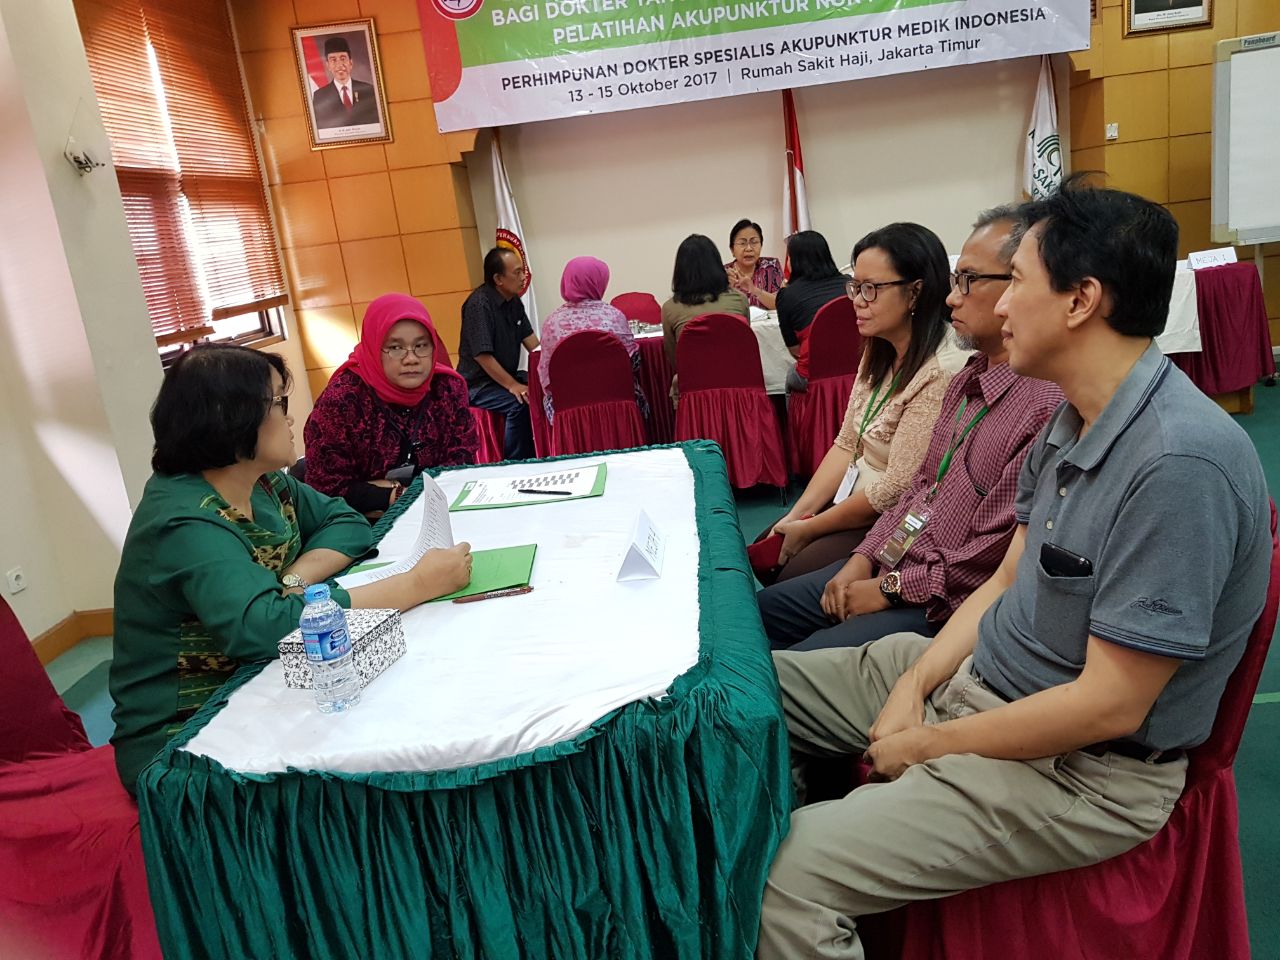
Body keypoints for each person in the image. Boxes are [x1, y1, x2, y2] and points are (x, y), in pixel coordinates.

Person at [757, 178, 1271, 959]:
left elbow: (1108, 706)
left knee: (785, 881)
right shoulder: (1070, 418)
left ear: (1081, 300)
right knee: (748, 691)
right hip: (983, 684)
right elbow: (1003, 583)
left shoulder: (1178, 465)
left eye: (1014, 282)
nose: (995, 307)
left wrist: (927, 745)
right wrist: (914, 685)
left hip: (1080, 772)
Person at [110, 345, 473, 795]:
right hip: (185, 741)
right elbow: (262, 627)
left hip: (258, 688)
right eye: (279, 403)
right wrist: (416, 584)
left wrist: (291, 582)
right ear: (232, 417)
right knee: (377, 766)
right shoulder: (185, 519)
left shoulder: (265, 484)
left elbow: (347, 523)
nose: (291, 417)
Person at [758, 207, 1063, 650]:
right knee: (760, 612)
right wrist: (863, 557)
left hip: (934, 598)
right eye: (854, 286)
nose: (953, 299)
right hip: (899, 550)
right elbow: (920, 486)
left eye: (968, 281)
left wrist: (885, 587)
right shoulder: (967, 376)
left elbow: (981, 559)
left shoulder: (1021, 397)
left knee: (792, 660)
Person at [761, 222, 956, 582]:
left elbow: (897, 488)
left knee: (790, 571)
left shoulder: (941, 370)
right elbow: (848, 442)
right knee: (769, 543)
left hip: (896, 516)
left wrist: (813, 527)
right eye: (855, 287)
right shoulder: (879, 347)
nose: (857, 301)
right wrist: (797, 515)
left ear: (915, 292)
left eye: (871, 289)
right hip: (857, 490)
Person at [304, 294, 477, 517]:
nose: (411, 358)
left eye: (421, 345)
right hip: (363, 522)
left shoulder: (448, 387)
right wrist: (395, 495)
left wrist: (387, 488)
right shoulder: (341, 401)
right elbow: (326, 490)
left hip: (441, 510)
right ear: (374, 347)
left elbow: (461, 463)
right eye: (395, 347)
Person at [538, 256, 647, 423]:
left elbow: (547, 374)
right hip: (617, 402)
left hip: (568, 409)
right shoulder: (614, 316)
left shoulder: (552, 323)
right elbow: (632, 364)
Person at [458, 247, 541, 460]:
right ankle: (517, 462)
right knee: (519, 404)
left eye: (523, 271)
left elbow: (533, 343)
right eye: (517, 272)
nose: (523, 277)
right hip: (478, 384)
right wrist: (513, 385)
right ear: (498, 279)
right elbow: (482, 356)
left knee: (540, 388)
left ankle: (544, 452)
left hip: (503, 377)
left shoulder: (513, 301)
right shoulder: (479, 305)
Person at [661, 234, 751, 400]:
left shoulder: (670, 309)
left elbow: (676, 361)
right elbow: (746, 349)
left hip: (695, 393)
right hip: (738, 387)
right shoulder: (739, 300)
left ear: (680, 271)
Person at [773, 230, 850, 393]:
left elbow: (795, 350)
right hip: (858, 370)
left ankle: (796, 411)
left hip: (814, 375)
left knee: (790, 374)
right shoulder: (851, 285)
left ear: (794, 261)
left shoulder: (787, 295)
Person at [311, 36, 379, 129]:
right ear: (328, 65)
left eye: (343, 59)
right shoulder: (320, 97)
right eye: (333, 60)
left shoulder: (368, 90)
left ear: (350, 63)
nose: (339, 65)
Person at [725, 218, 783, 310]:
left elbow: (781, 304)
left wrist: (754, 290)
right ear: (732, 250)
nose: (749, 248)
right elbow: (718, 310)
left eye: (754, 242)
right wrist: (727, 289)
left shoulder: (771, 266)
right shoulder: (724, 273)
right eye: (742, 243)